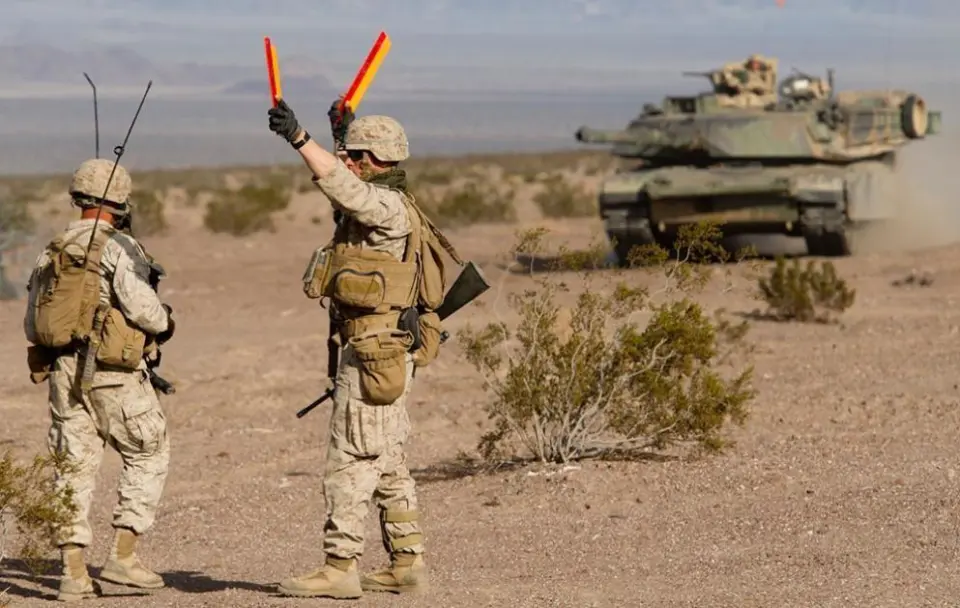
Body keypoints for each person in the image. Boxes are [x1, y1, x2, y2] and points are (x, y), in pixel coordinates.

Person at [267, 97, 450, 599]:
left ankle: (340, 567)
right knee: (387, 460)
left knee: (349, 457)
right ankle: (406, 562)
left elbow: (344, 188)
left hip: (374, 352)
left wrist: (299, 139)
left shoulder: (387, 207)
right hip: (381, 351)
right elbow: (348, 190)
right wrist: (342, 136)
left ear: (372, 161)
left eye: (355, 156)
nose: (347, 162)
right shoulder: (385, 200)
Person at [23, 158, 175, 602]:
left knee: (72, 468)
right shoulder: (117, 247)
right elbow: (146, 312)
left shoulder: (51, 249)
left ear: (77, 198)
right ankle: (123, 557)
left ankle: (72, 574)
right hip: (113, 372)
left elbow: (32, 322)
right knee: (149, 450)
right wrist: (166, 321)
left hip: (63, 372)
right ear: (121, 201)